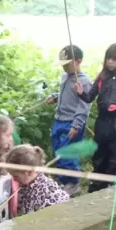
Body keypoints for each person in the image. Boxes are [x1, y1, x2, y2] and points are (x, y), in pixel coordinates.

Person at [75, 42, 116, 193]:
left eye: (114, 59)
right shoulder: (102, 77)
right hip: (103, 121)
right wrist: (81, 93)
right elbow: (90, 97)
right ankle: (98, 183)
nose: (110, 61)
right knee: (100, 152)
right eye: (108, 58)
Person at [45, 45, 92, 196]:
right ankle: (64, 179)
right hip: (59, 119)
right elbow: (65, 94)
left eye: (67, 64)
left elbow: (84, 105)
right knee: (58, 149)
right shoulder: (65, 77)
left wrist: (76, 124)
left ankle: (73, 183)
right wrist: (55, 97)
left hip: (72, 123)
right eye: (63, 64)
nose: (64, 68)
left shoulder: (84, 82)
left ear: (79, 61)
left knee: (68, 153)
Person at [6, 145, 70, 215]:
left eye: (16, 176)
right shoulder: (29, 184)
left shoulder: (44, 193)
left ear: (30, 172)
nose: (14, 179)